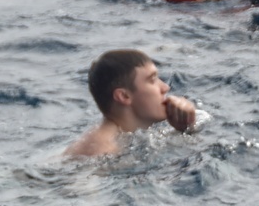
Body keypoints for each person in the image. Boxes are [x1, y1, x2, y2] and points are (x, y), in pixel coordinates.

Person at [64, 49, 196, 158]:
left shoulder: (120, 138)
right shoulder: (101, 151)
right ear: (124, 96)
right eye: (152, 80)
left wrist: (185, 129)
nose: (165, 87)